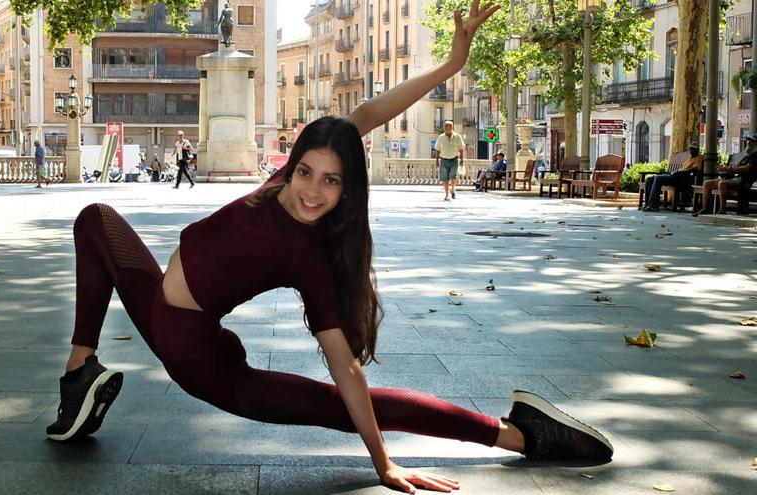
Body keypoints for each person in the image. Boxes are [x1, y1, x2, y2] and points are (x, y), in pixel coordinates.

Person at [46, 5, 612, 493]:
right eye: (308, 172)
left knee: (344, 407)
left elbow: (346, 371)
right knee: (95, 219)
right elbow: (367, 115)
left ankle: (520, 433)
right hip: (159, 311)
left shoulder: (308, 255)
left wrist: (383, 462)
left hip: (203, 366)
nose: (314, 190)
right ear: (293, 166)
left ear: (347, 189)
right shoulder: (279, 187)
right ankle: (81, 368)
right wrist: (450, 65)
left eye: (332, 181)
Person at [693, 134, 757, 216]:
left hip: (743, 180)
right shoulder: (748, 156)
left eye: (751, 142)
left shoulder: (755, 157)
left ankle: (722, 209)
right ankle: (705, 208)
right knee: (707, 183)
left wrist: (729, 169)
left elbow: (746, 168)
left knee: (722, 183)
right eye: (749, 141)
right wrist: (725, 169)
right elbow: (737, 167)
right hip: (734, 178)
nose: (748, 143)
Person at [641, 145, 703, 211]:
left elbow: (694, 169)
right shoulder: (690, 157)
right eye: (690, 149)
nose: (691, 151)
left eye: (693, 149)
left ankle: (653, 205)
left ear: (697, 150)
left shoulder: (699, 157)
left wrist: (679, 172)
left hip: (681, 178)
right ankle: (648, 204)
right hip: (675, 175)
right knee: (649, 179)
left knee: (659, 178)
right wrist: (676, 172)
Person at [434, 120, 465, 200]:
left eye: (449, 126)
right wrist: (437, 161)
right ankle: (447, 194)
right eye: (445, 126)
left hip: (454, 159)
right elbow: (437, 150)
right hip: (444, 160)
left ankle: (452, 189)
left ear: (452, 127)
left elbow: (461, 149)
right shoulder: (440, 137)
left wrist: (462, 160)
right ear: (444, 128)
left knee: (454, 177)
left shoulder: (457, 136)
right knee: (445, 178)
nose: (447, 128)